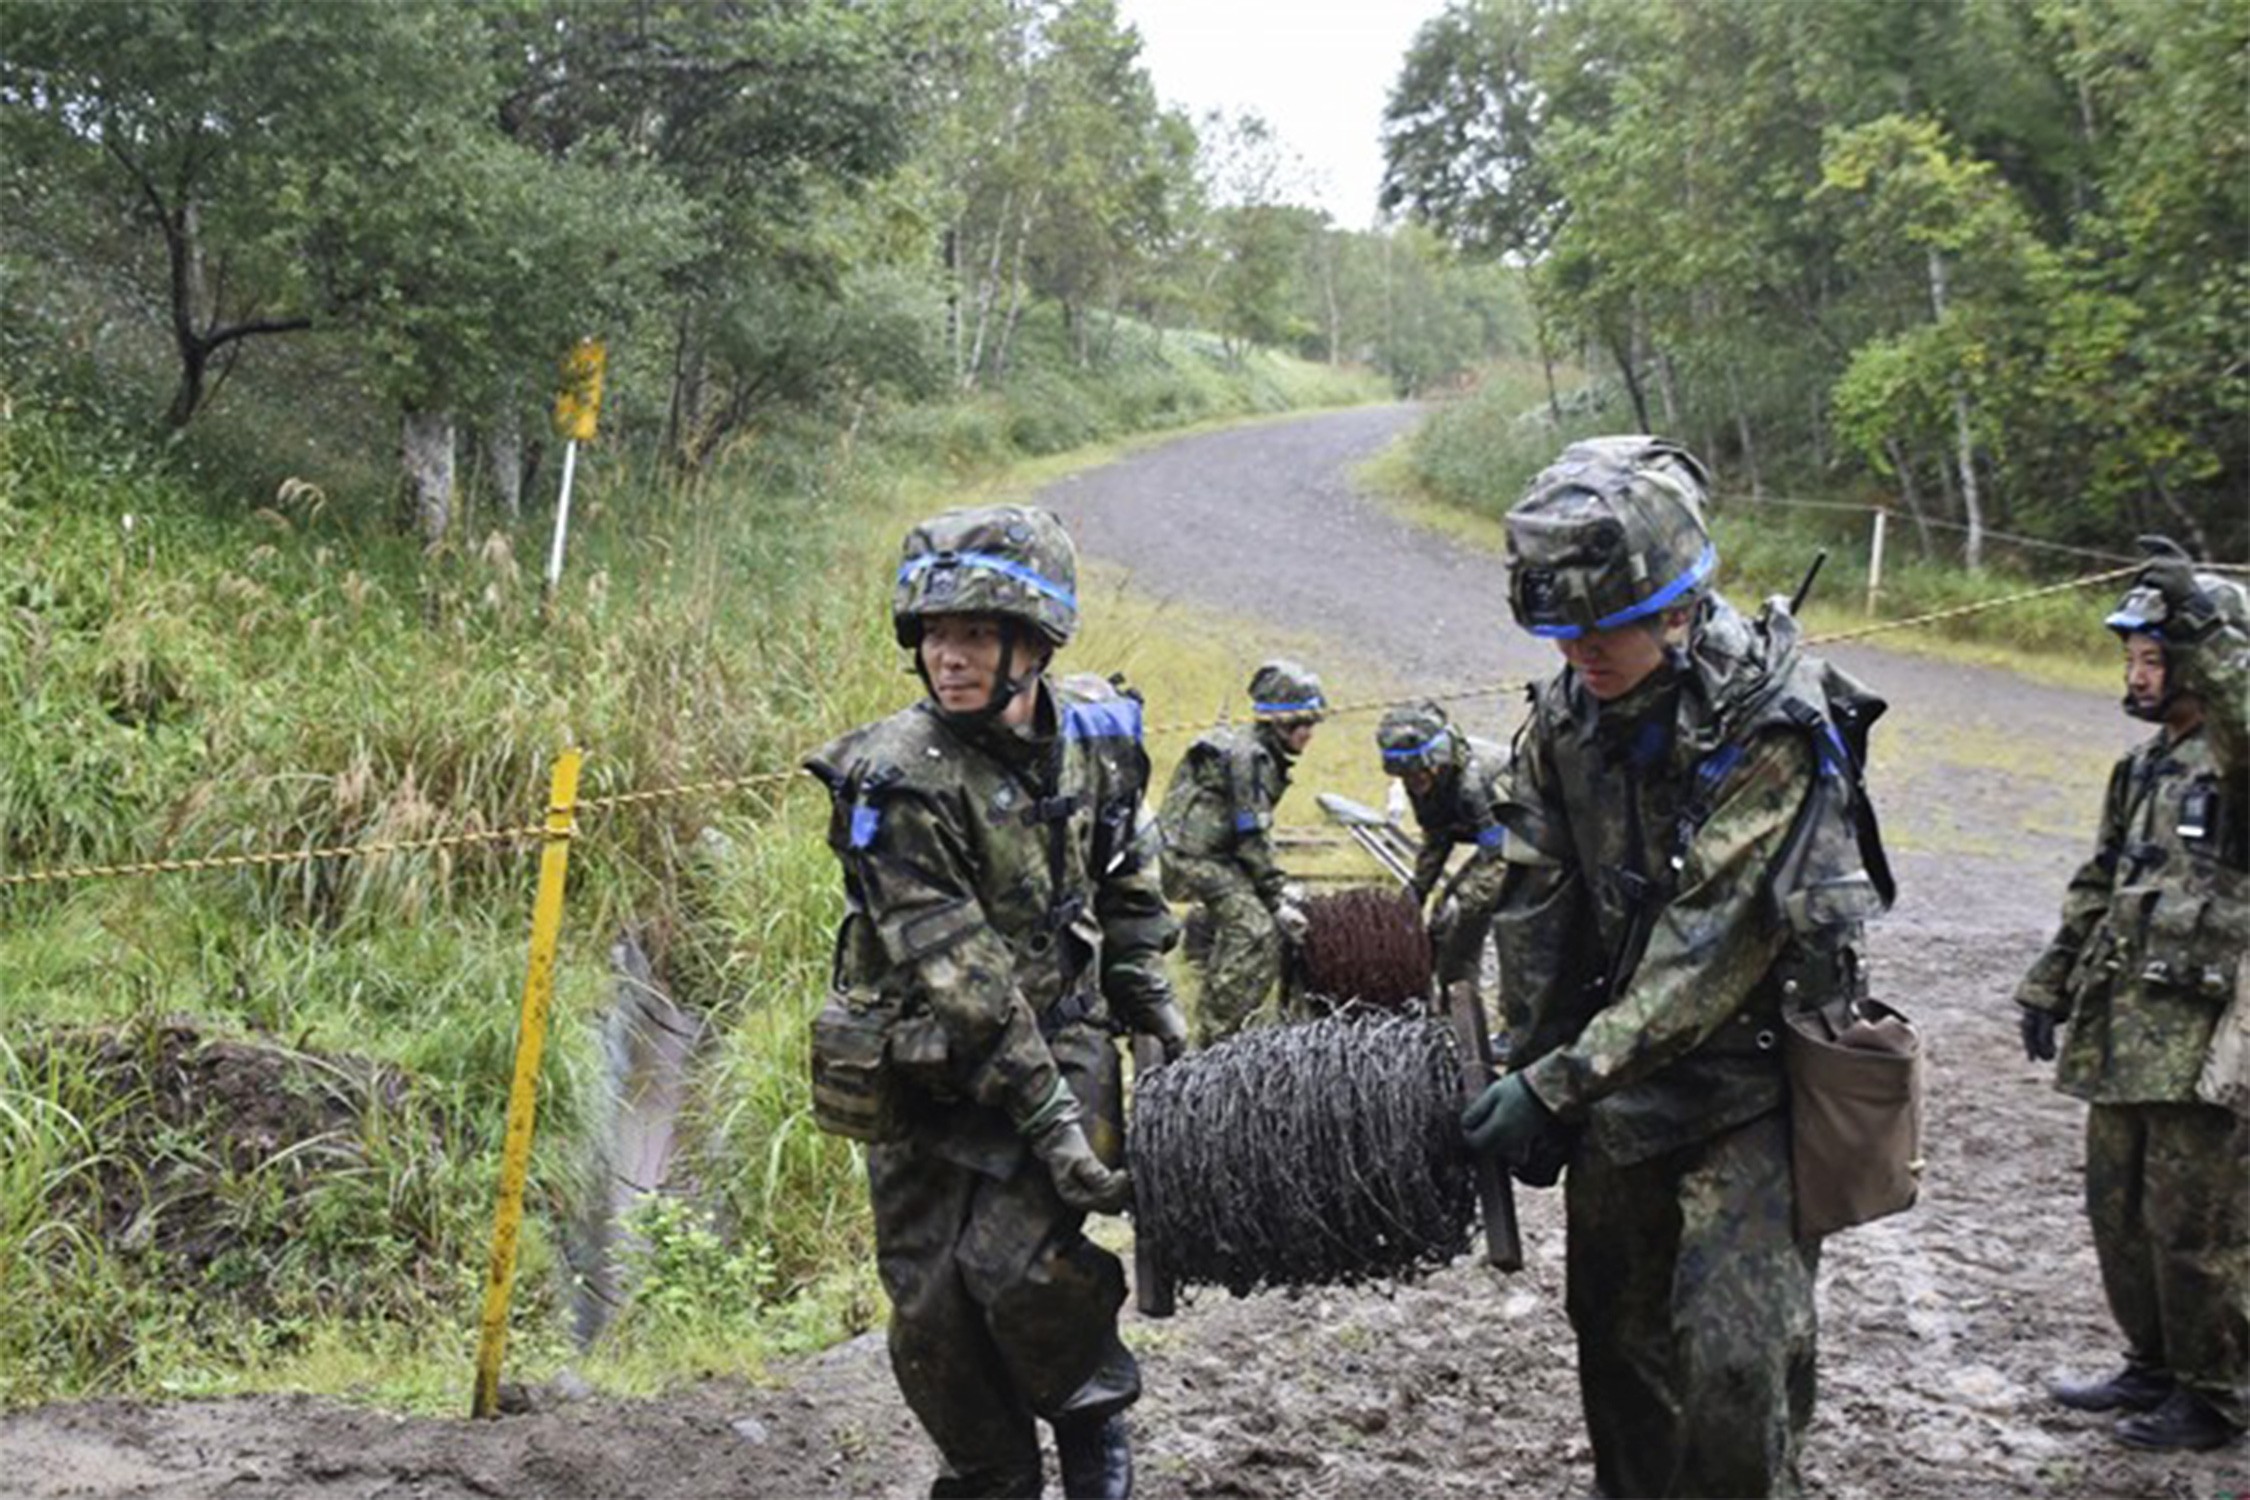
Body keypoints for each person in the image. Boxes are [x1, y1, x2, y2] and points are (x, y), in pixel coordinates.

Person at [1460, 436, 1892, 1497]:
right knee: (1616, 1343)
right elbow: (1539, 902)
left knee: (1737, 1366)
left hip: (1750, 1086)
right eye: (1562, 632)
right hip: (1619, 1089)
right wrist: (1531, 1057)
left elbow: (1707, 956)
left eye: (1602, 630)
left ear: (1677, 609)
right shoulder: (1567, 714)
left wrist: (1555, 1083)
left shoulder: (1771, 727)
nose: (1581, 655)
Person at [805, 503, 1189, 1499]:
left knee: (1021, 1273)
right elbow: (960, 974)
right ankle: (991, 1480)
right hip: (926, 1077)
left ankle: (1096, 1444)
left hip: (1060, 1043)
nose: (950, 658)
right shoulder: (898, 778)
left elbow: (1128, 869)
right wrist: (1060, 1130)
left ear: (1034, 641)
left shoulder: (1100, 738)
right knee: (932, 1315)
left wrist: (1150, 1002)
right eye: (934, 634)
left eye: (974, 633)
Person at [2014, 539, 2248, 1454]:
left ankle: (2218, 1392)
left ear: (2198, 661)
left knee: (2198, 1229)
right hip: (2127, 1033)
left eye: (2156, 657)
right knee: (2119, 1214)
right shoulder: (2144, 768)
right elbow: (2101, 880)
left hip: (2206, 1042)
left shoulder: (2234, 764)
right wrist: (2052, 979)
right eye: (2133, 656)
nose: (2137, 673)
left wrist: (2203, 619)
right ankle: (2153, 1363)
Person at [1156, 660, 1326, 1043]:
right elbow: (1253, 837)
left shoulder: (1255, 751)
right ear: (1281, 724)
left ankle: (1234, 1019)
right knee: (1256, 930)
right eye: (1305, 725)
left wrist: (1274, 890)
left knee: (1256, 921)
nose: (1310, 734)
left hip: (1216, 854)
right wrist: (1274, 897)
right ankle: (1217, 1039)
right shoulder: (1249, 758)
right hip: (1194, 859)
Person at [1375, 699, 1511, 1003]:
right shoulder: (1421, 779)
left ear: (1437, 763)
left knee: (1462, 915)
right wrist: (1414, 894)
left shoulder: (1474, 784)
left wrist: (1466, 902)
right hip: (1498, 846)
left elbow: (1498, 856)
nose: (1414, 784)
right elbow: (1437, 839)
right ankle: (1448, 1005)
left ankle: (1487, 1016)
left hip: (1530, 844)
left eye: (1419, 775)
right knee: (1440, 921)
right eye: (1406, 778)